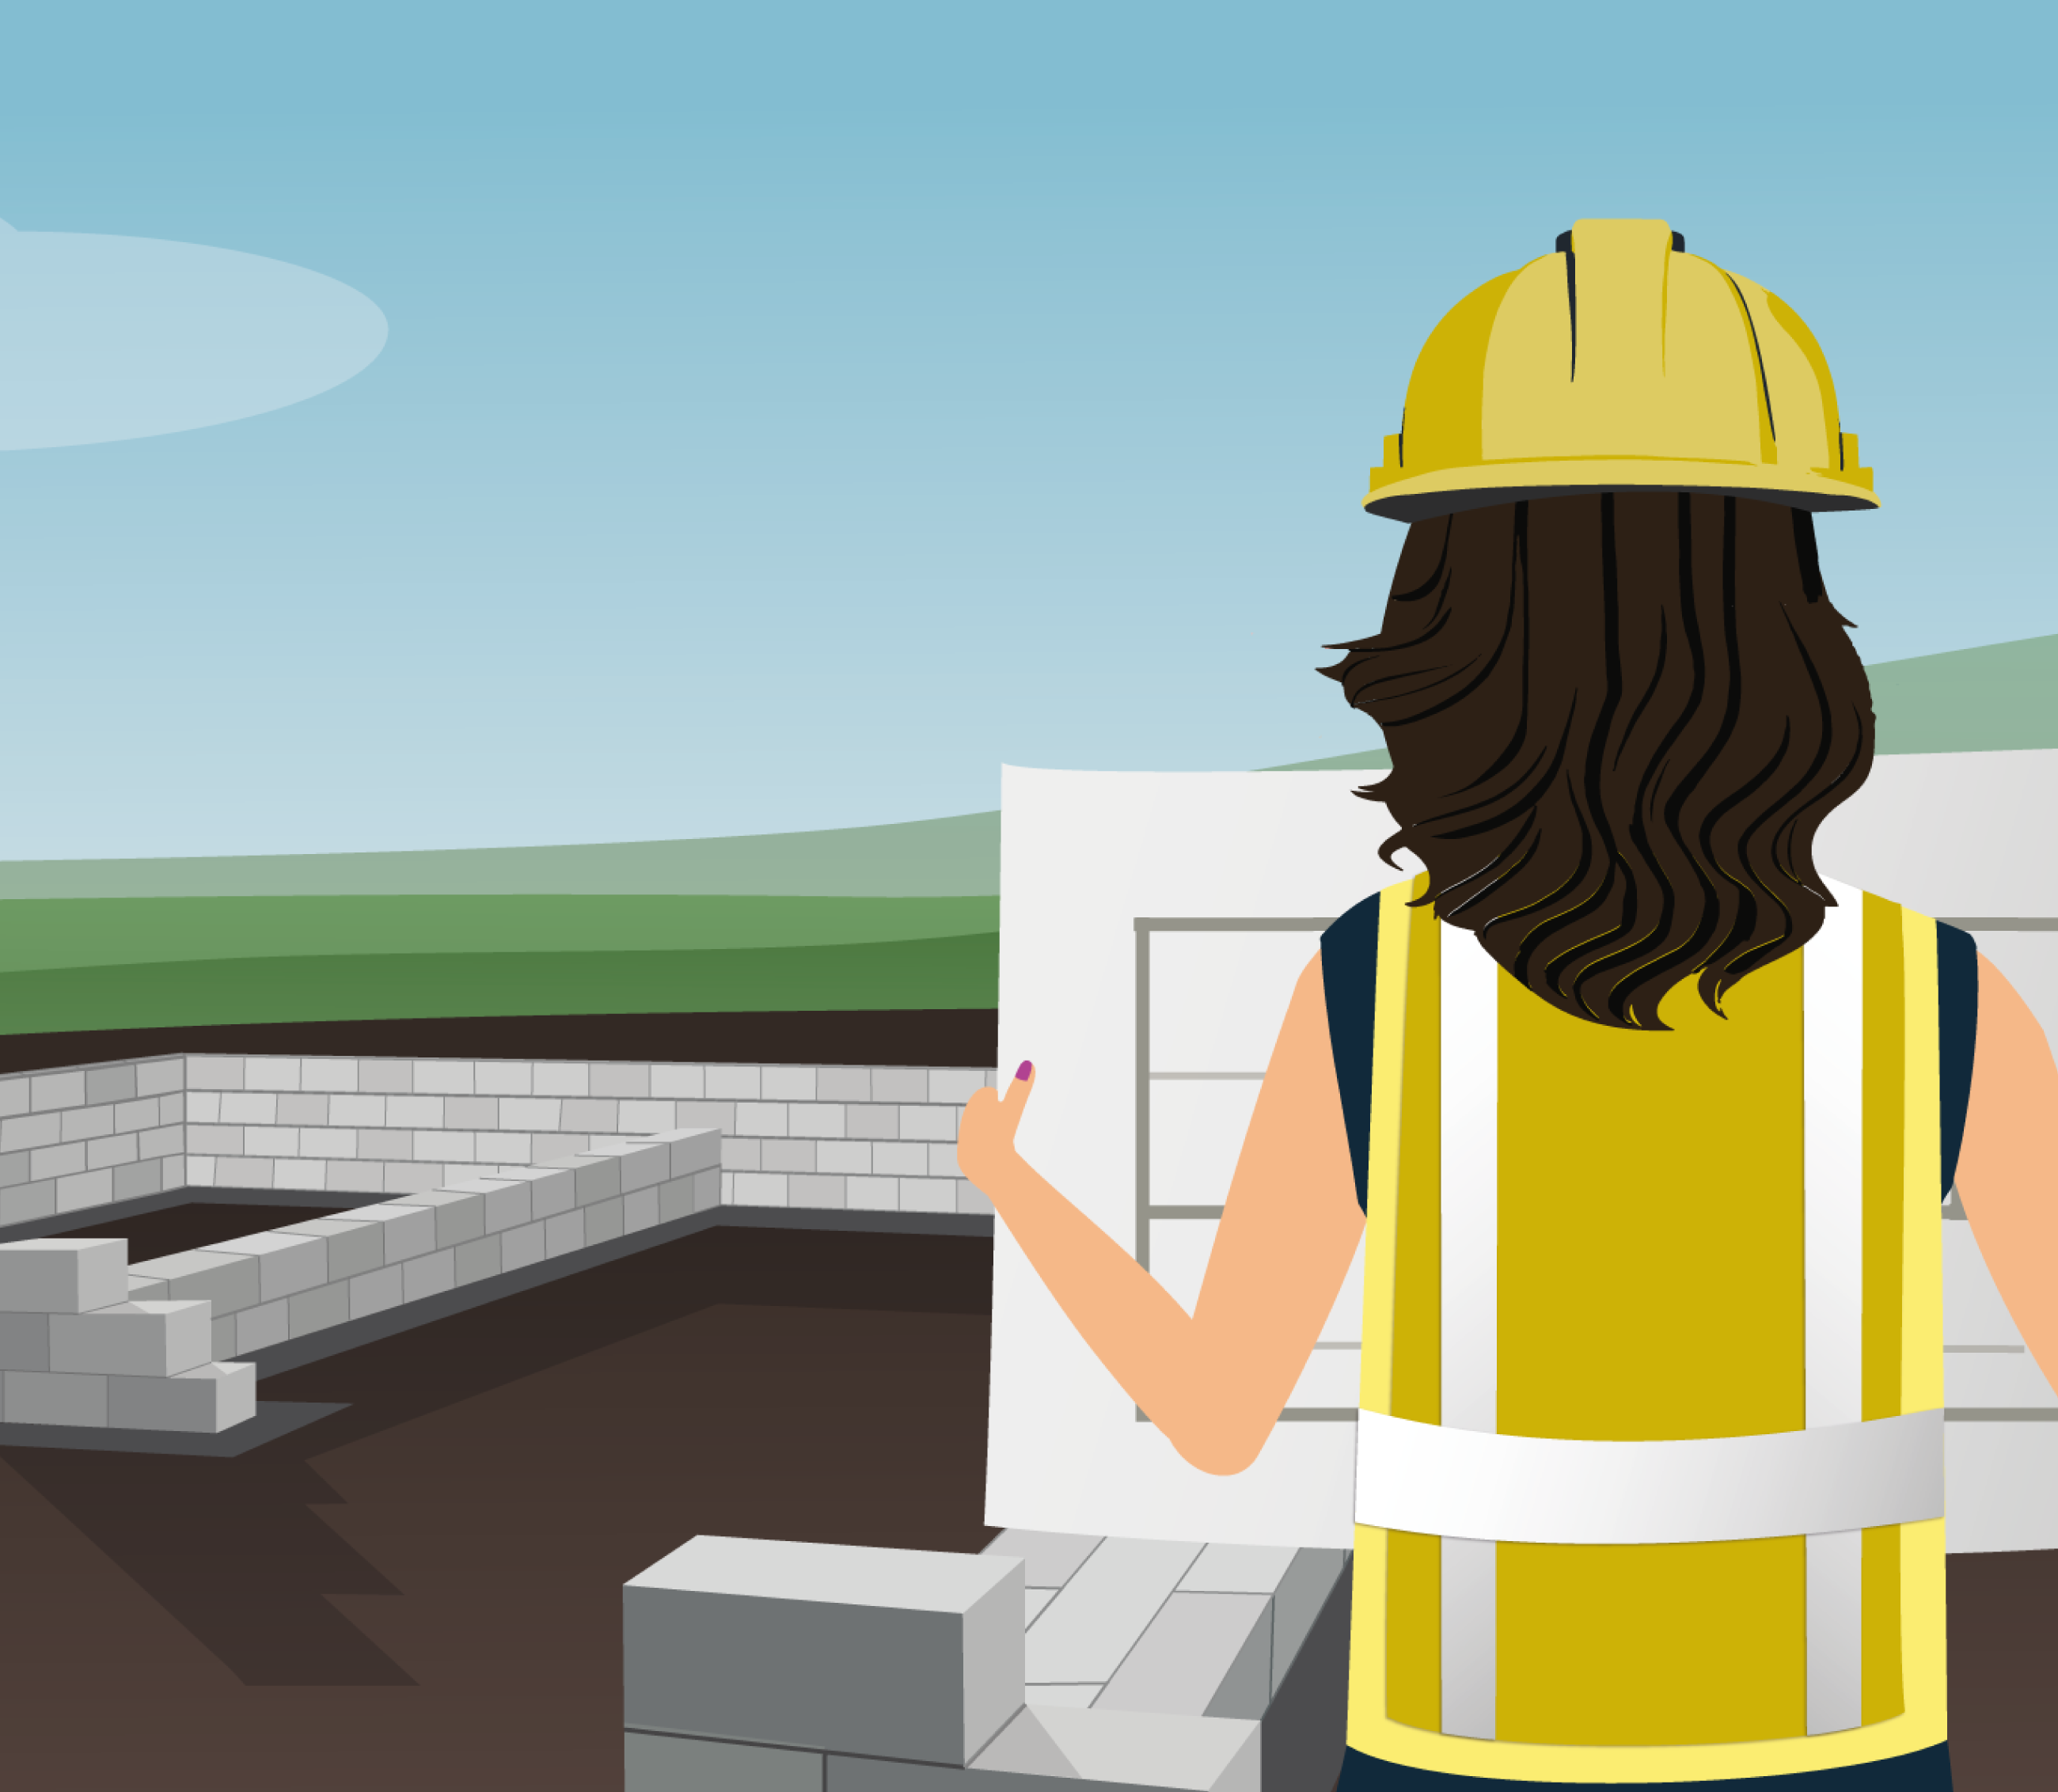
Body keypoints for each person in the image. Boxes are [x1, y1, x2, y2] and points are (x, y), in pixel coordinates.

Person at [959, 220, 2058, 1789]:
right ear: (1792, 630)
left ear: (1451, 624)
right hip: (1838, 1741)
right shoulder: (1930, 993)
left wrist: (1010, 1178)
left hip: (1455, 1741)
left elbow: (1211, 1413)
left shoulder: (1371, 979)